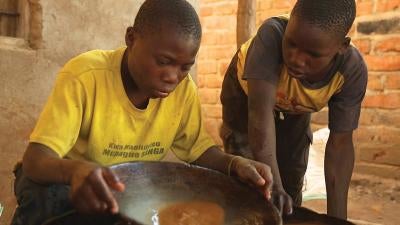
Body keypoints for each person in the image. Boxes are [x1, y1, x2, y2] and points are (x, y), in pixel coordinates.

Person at [11, 1, 273, 225]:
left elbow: (198, 150)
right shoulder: (85, 77)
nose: (173, 77)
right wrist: (77, 170)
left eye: (185, 67)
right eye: (163, 62)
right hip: (68, 181)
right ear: (131, 38)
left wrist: (234, 163)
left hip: (126, 190)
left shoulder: (183, 91)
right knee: (45, 199)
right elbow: (36, 160)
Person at [220, 0, 367, 220]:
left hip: (295, 106)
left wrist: (337, 220)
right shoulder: (271, 35)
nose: (296, 59)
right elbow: (260, 117)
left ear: (341, 47)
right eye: (291, 43)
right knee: (251, 177)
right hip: (247, 97)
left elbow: (340, 146)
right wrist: (274, 188)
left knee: (292, 175)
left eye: (313, 55)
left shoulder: (351, 71)